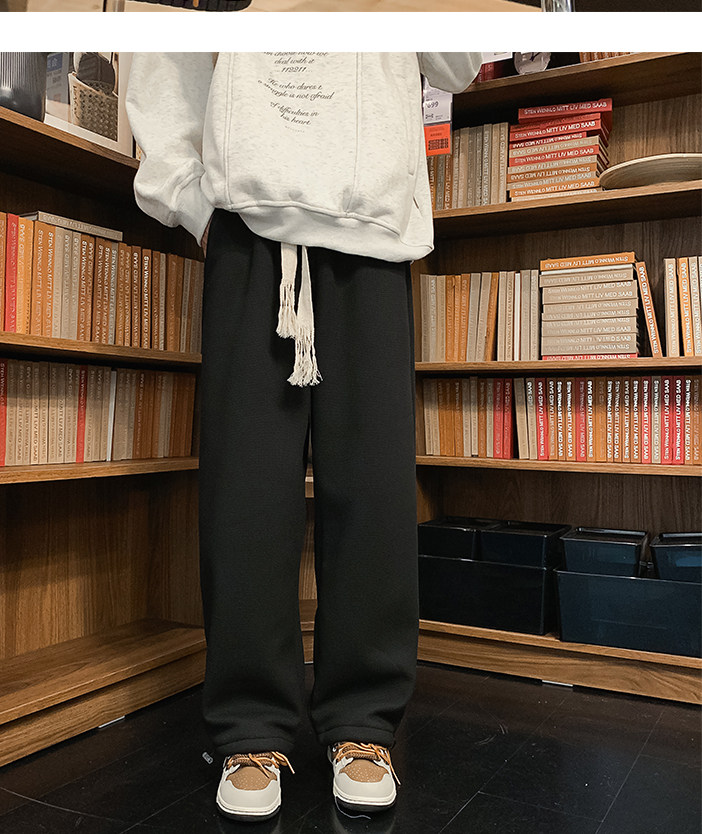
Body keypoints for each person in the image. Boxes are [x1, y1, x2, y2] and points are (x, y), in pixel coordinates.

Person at [126, 51, 481, 823]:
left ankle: (364, 722)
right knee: (246, 488)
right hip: (248, 223)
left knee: (374, 486)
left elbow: (455, 63)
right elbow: (166, 51)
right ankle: (249, 728)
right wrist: (191, 197)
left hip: (373, 227)